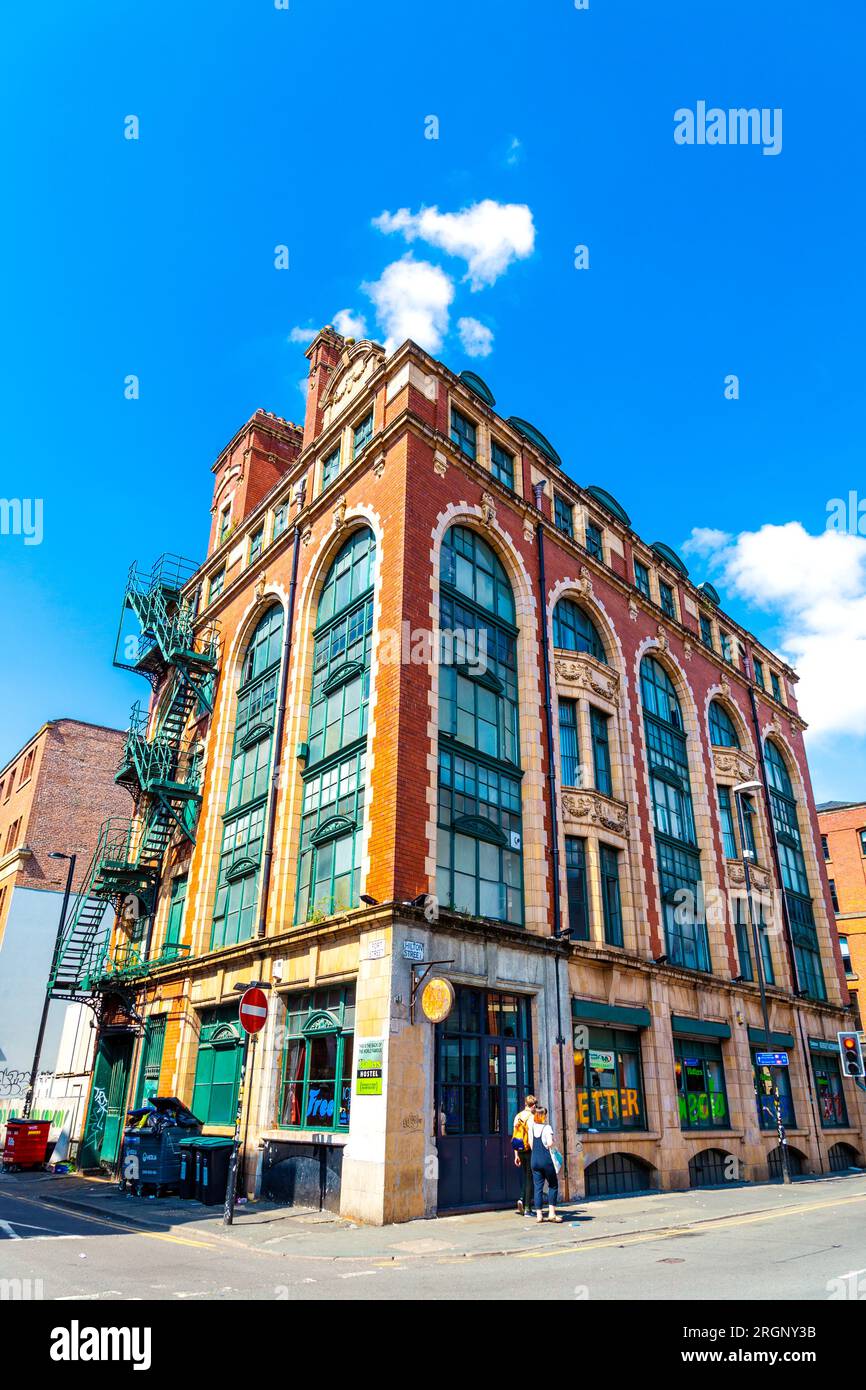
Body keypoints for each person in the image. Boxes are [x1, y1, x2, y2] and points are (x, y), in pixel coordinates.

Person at [529, 1103, 562, 1223]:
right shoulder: (547, 1128)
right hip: (545, 1160)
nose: (546, 1117)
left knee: (538, 1187)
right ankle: (552, 1214)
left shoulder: (531, 1127)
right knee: (553, 1185)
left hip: (534, 1160)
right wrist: (553, 1141)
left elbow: (531, 1144)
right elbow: (549, 1143)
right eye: (545, 1115)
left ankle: (539, 1215)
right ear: (542, 1116)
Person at [511, 1093, 537, 1216]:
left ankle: (521, 1199)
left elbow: (515, 1136)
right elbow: (531, 1138)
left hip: (520, 1149)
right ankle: (527, 1208)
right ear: (533, 1105)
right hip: (529, 1150)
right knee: (530, 1178)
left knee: (525, 1176)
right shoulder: (531, 1117)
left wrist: (516, 1155)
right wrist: (535, 1152)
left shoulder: (518, 1116)